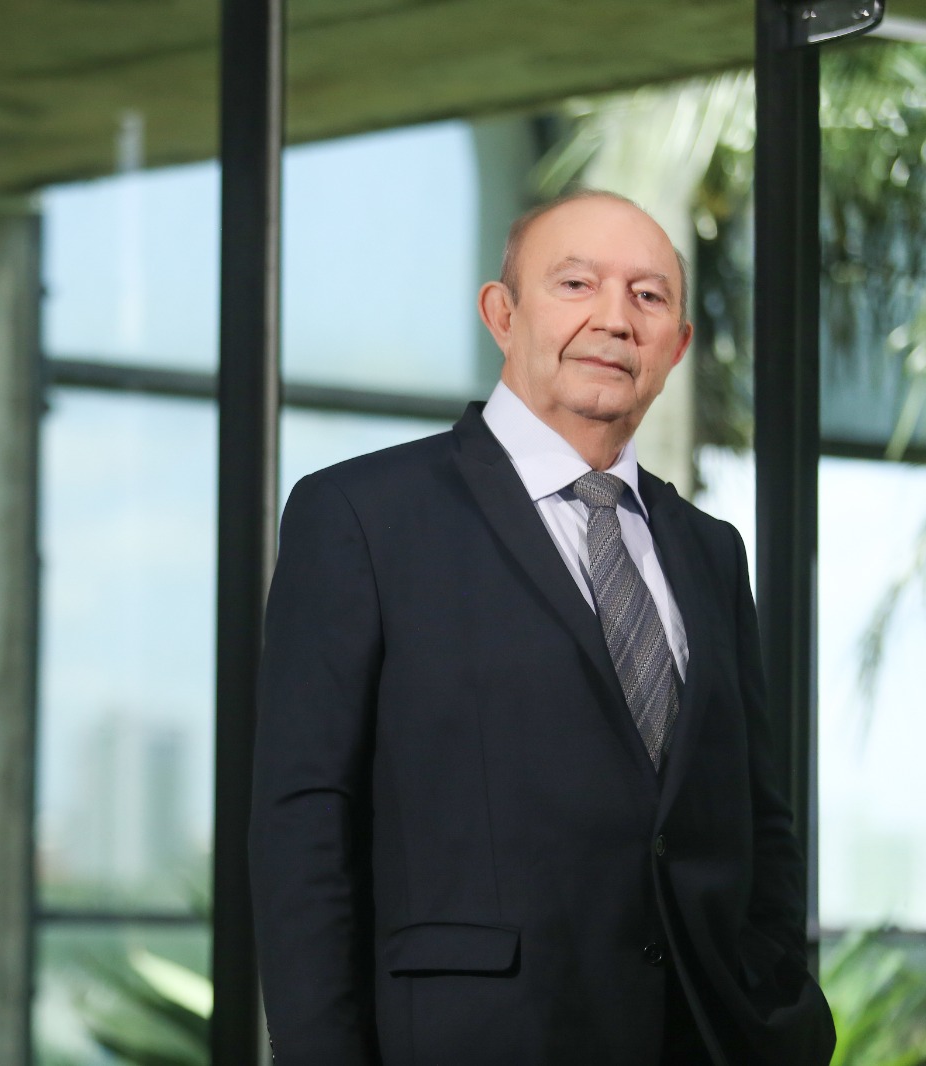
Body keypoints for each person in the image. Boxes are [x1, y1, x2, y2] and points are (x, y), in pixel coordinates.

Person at [249, 189, 836, 1065]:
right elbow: (303, 822)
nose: (615, 318)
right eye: (575, 284)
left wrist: (778, 1001)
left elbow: (758, 818)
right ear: (503, 313)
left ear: (677, 344)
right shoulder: (362, 516)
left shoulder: (711, 550)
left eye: (648, 295)